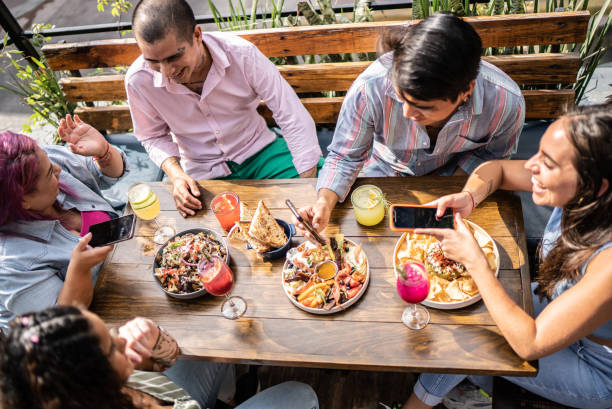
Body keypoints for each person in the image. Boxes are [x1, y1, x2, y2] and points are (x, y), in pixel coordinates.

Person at [401, 103, 612, 409]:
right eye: (537, 153)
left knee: (466, 338)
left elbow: (531, 343)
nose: (530, 166)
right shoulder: (586, 196)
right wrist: (469, 197)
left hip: (596, 367)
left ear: (594, 186)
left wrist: (475, 260)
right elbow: (497, 170)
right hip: (558, 308)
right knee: (470, 311)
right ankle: (470, 388)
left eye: (548, 162)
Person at [294, 13, 525, 241]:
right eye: (400, 98)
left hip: (460, 181)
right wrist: (323, 203)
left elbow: (492, 160)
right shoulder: (370, 88)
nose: (406, 113)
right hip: (383, 173)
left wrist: (457, 190)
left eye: (422, 107)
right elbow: (345, 157)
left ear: (466, 91)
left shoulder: (506, 104)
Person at [126, 0, 323, 218]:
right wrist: (176, 175)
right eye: (153, 61)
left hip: (260, 151)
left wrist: (307, 188)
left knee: (329, 188)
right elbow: (151, 136)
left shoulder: (242, 54)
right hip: (202, 173)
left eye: (174, 57)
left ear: (197, 35)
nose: (165, 72)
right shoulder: (138, 81)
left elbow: (291, 115)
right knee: (204, 243)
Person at [0, 305, 319, 409]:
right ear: (92, 383)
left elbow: (166, 360)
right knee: (301, 396)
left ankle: (231, 394)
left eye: (110, 331)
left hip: (181, 399)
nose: (121, 337)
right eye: (112, 346)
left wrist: (155, 337)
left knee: (217, 331)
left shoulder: (98, 383)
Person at [0, 115, 128, 331]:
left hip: (126, 271)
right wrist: (78, 270)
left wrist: (103, 152)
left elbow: (112, 173)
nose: (57, 169)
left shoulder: (41, 161)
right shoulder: (11, 265)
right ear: (24, 200)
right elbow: (66, 321)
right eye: (50, 173)